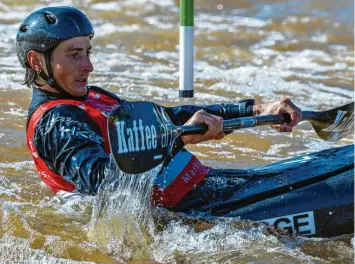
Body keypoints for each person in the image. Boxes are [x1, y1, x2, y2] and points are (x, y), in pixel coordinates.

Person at [17, 6, 302, 213]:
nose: (88, 66)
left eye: (87, 52)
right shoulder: (56, 121)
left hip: (202, 190)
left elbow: (171, 117)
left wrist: (256, 110)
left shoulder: (92, 98)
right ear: (36, 61)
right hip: (185, 214)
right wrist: (177, 139)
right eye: (74, 55)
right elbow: (102, 184)